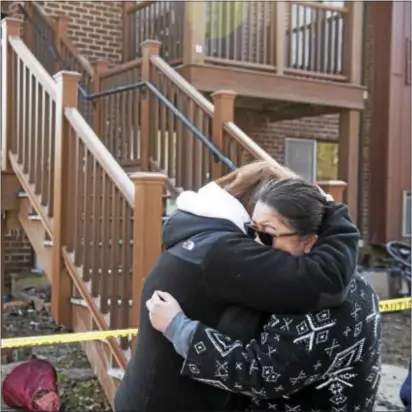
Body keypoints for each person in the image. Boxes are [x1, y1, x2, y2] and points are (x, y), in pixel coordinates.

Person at [114, 161, 360, 412]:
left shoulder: (201, 231)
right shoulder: (227, 252)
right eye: (256, 231)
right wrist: (332, 211)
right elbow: (327, 280)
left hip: (149, 394)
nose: (258, 242)